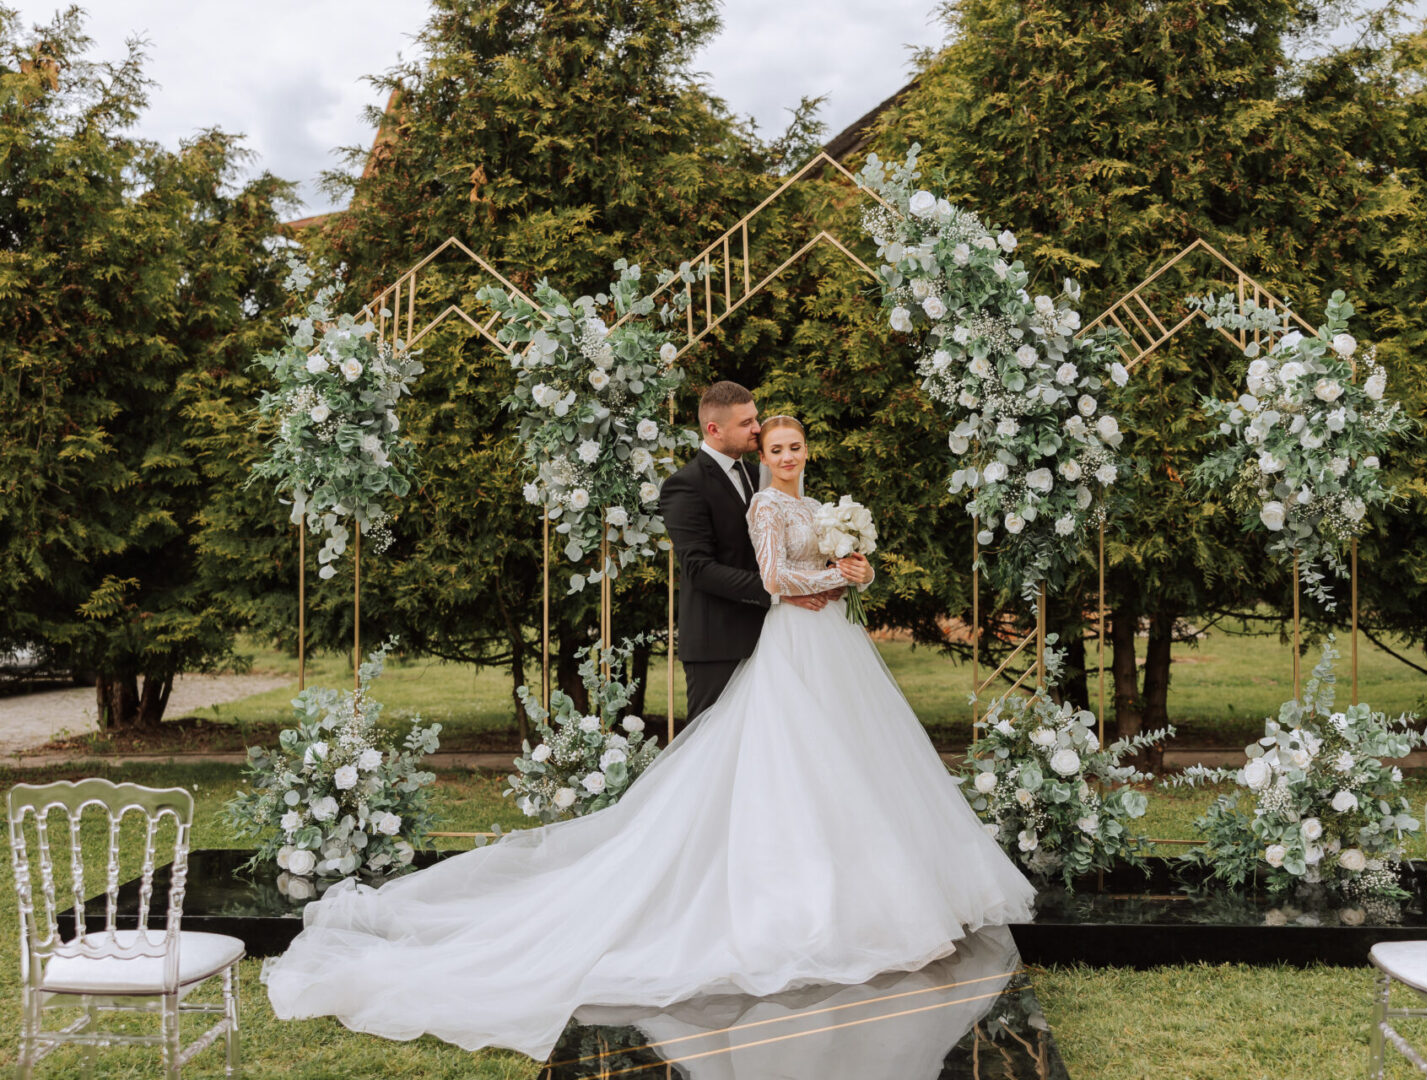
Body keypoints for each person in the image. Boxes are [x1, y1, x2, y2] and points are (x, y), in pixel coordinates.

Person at [261, 411, 1035, 1064]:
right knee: (785, 770)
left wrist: (853, 568)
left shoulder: (816, 506)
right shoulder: (764, 506)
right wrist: (836, 579)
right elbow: (770, 579)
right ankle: (778, 902)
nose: (787, 455)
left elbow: (811, 570)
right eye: (775, 446)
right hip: (791, 647)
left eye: (794, 445)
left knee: (854, 771)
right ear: (755, 450)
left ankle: (871, 897)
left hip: (833, 649)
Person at [658, 381, 840, 723]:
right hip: (719, 641)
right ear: (714, 429)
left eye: (755, 418)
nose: (758, 428)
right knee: (711, 745)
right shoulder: (686, 485)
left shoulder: (763, 474)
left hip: (777, 638)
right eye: (746, 423)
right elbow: (699, 568)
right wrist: (779, 593)